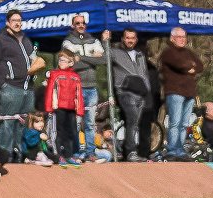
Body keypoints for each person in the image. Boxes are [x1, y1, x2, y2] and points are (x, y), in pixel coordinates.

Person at [0, 10, 46, 166]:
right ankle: (4, 157)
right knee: (7, 123)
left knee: (23, 124)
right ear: (7, 22)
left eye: (19, 20)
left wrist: (37, 65)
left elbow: (34, 59)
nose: (17, 23)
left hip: (28, 88)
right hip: (10, 87)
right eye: (14, 20)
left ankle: (20, 156)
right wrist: (2, 83)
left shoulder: (26, 40)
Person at [61, 14, 106, 161]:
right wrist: (92, 58)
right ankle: (74, 152)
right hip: (75, 87)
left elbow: (103, 60)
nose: (81, 25)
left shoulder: (93, 40)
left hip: (92, 88)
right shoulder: (68, 41)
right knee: (76, 122)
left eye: (83, 23)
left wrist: (81, 57)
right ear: (73, 25)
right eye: (78, 23)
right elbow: (71, 63)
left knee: (90, 123)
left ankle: (90, 152)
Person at [159, 27, 205, 162]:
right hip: (175, 92)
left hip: (189, 93)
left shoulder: (189, 52)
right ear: (172, 38)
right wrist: (189, 66)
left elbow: (200, 66)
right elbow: (179, 64)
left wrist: (191, 66)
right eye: (179, 37)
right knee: (175, 122)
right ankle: (172, 150)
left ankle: (180, 149)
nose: (182, 39)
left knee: (185, 123)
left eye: (184, 37)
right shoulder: (168, 52)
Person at [107, 28, 151, 162]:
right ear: (123, 39)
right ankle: (131, 151)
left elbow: (144, 73)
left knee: (134, 123)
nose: (130, 40)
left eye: (132, 38)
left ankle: (129, 151)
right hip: (125, 92)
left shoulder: (140, 54)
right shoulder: (115, 52)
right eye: (127, 38)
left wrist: (147, 90)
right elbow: (102, 57)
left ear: (136, 40)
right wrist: (105, 41)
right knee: (132, 119)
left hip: (140, 94)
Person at [44, 49, 86, 166]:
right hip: (58, 108)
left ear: (71, 63)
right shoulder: (55, 74)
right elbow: (50, 91)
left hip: (71, 109)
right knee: (58, 132)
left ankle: (69, 155)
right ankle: (59, 155)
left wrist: (80, 111)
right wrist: (49, 108)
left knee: (71, 132)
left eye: (63, 60)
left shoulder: (76, 77)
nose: (60, 62)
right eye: (60, 60)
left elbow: (79, 94)